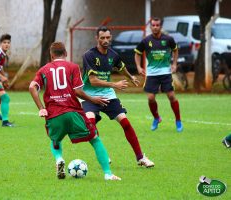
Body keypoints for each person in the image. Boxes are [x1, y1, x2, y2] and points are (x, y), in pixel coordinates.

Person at [29, 41, 121, 180]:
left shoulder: (44, 69)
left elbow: (32, 87)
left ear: (51, 55)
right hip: (73, 112)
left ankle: (59, 159)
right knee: (94, 139)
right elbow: (77, 91)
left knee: (55, 139)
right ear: (65, 53)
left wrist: (41, 108)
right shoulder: (73, 67)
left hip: (54, 113)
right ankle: (108, 174)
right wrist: (93, 99)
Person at [82, 26, 154, 167]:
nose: (105, 40)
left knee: (125, 123)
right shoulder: (89, 55)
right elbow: (93, 81)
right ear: (96, 38)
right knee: (90, 124)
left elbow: (121, 67)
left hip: (108, 95)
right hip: (90, 96)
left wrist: (131, 77)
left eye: (108, 37)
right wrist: (114, 84)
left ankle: (140, 157)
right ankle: (103, 154)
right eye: (102, 38)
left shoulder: (113, 55)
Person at [134, 17, 183, 132]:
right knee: (151, 98)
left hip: (165, 72)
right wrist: (138, 67)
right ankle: (156, 118)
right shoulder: (146, 41)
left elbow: (175, 50)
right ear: (150, 27)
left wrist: (174, 64)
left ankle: (178, 120)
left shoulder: (168, 39)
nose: (155, 27)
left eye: (157, 25)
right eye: (153, 25)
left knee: (171, 96)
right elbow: (137, 53)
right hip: (151, 74)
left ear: (161, 26)